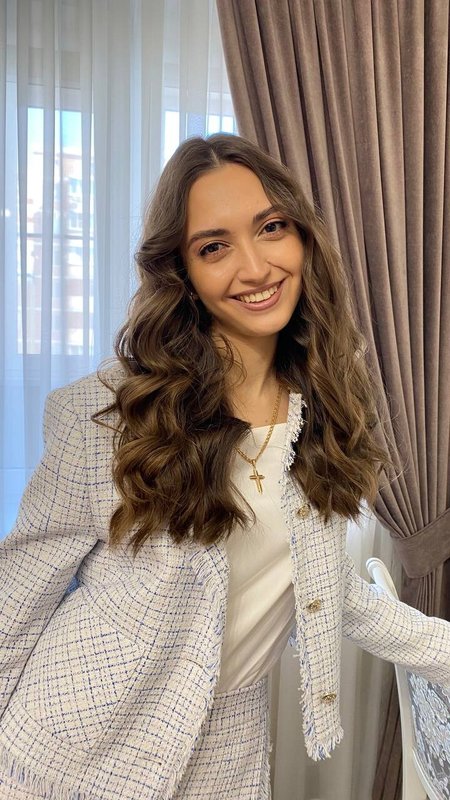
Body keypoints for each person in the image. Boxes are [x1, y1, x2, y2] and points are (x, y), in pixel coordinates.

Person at [0, 133, 449, 800]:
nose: (256, 267)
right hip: (73, 748)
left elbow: (324, 588)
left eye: (271, 228)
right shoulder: (109, 415)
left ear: (303, 237)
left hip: (228, 751)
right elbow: (17, 597)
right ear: (181, 271)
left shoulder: (326, 409)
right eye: (214, 247)